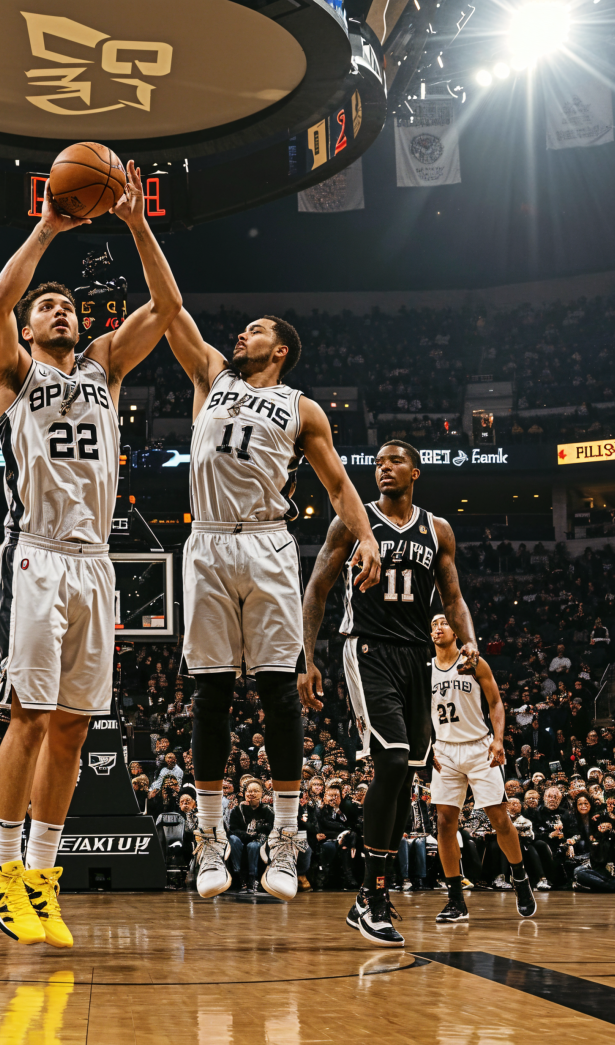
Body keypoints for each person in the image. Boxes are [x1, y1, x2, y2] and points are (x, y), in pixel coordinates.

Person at [0, 160, 178, 949]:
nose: (58, 309)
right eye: (47, 306)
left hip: (96, 562)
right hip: (35, 554)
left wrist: (134, 221)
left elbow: (167, 306)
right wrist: (50, 227)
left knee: (73, 726)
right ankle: (0, 866)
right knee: (29, 714)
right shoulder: (13, 374)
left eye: (66, 304)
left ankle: (42, 875)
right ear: (31, 329)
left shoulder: (106, 368)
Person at [160, 302, 381, 903]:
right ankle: (210, 834)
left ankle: (286, 835)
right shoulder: (213, 375)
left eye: (255, 330)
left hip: (266, 540)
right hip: (205, 539)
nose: (241, 333)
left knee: (280, 689)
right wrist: (135, 223)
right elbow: (170, 308)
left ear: (280, 350)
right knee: (211, 692)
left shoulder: (302, 407)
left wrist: (364, 536)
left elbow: (337, 482)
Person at [301, 440, 481, 948]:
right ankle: (373, 893)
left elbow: (454, 597)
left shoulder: (437, 529)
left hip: (418, 657)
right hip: (368, 649)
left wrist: (470, 644)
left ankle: (370, 895)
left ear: (415, 472)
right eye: (378, 463)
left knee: (406, 778)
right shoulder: (352, 523)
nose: (384, 470)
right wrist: (306, 658)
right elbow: (316, 588)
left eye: (394, 462)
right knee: (394, 761)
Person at [422, 615, 536, 923]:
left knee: (499, 818)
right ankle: (456, 900)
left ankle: (521, 880)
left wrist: (499, 740)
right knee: (445, 823)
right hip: (444, 750)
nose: (438, 628)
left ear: (457, 630)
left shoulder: (474, 662)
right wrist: (425, 745)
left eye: (444, 622)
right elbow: (419, 712)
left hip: (479, 747)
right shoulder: (426, 669)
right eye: (433, 624)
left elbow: (496, 703)